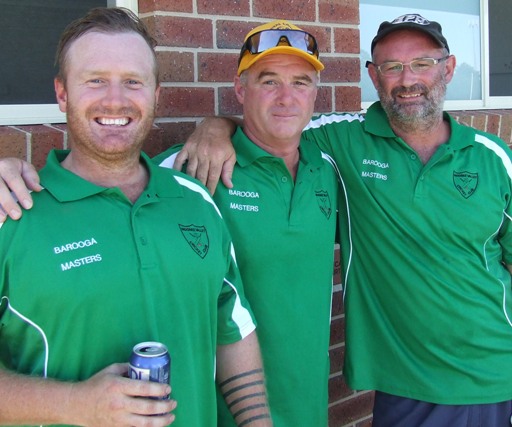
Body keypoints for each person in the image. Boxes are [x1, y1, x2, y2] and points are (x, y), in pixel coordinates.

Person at [145, 13, 512, 427]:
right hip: (401, 384)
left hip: (494, 370)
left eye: (422, 63)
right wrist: (214, 128)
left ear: (447, 68)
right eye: (392, 67)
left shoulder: (492, 157)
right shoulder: (340, 143)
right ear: (375, 76)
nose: (407, 79)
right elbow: (271, 127)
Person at [0, 18, 339, 427]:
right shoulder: (13, 211)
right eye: (94, 81)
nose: (115, 100)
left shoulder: (193, 198)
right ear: (61, 93)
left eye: (132, 82)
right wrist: (74, 404)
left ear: (156, 95)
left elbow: (231, 323)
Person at [154, 20, 339, 427]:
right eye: (269, 81)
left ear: (315, 94)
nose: (286, 98)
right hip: (221, 412)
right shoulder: (192, 167)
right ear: (241, 89)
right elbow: (105, 191)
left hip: (309, 405)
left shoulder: (327, 169)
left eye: (302, 83)